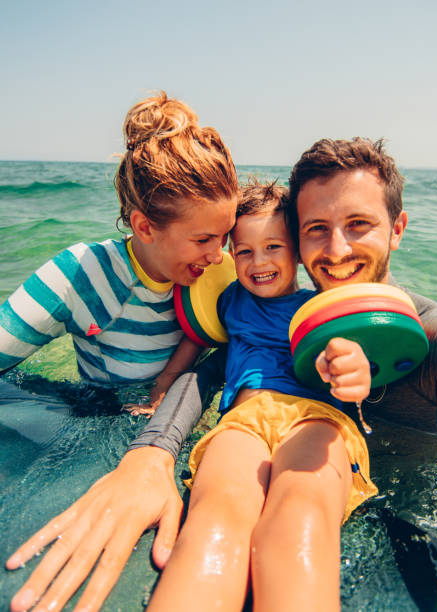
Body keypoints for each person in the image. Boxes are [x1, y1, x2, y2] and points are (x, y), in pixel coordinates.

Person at [7, 138, 437, 612]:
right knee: (214, 517)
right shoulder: (262, 309)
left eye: (360, 225)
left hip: (395, 514)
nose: (337, 249)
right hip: (247, 437)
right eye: (316, 228)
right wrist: (154, 448)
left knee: (298, 518)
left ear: (398, 229)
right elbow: (217, 359)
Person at [2, 91, 240, 612]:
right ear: (144, 226)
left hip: (168, 427)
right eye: (204, 239)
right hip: (99, 415)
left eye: (226, 235)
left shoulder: (219, 279)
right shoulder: (82, 275)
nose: (220, 255)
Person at [147, 179, 377, 611]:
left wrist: (356, 373)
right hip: (243, 421)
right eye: (245, 251)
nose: (259, 262)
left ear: (296, 251)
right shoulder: (229, 300)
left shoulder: (322, 307)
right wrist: (164, 384)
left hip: (315, 418)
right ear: (231, 255)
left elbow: (357, 360)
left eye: (273, 246)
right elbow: (196, 340)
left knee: (300, 513)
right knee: (217, 515)